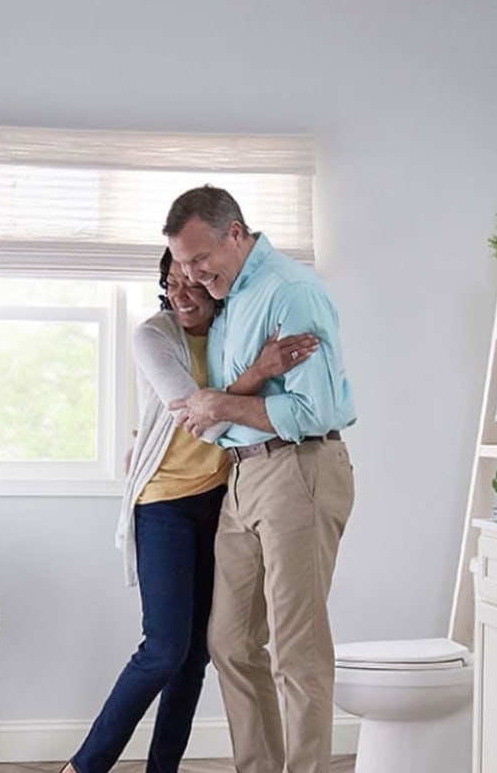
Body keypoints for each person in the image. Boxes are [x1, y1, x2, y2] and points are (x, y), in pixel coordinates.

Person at [62, 250, 318, 773]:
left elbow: (246, 409)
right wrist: (260, 371)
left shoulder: (230, 333)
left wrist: (260, 373)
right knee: (164, 647)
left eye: (191, 282)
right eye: (170, 282)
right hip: (164, 503)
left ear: (213, 283)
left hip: (222, 499)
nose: (180, 294)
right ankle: (85, 766)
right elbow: (198, 417)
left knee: (197, 654)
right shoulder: (153, 336)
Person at [164, 186, 357, 773]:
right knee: (229, 643)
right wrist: (225, 403)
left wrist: (219, 406)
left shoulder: (288, 291)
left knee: (297, 652)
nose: (194, 276)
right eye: (182, 265)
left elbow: (311, 410)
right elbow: (214, 415)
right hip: (244, 479)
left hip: (299, 469)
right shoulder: (233, 298)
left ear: (237, 234)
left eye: (201, 260)